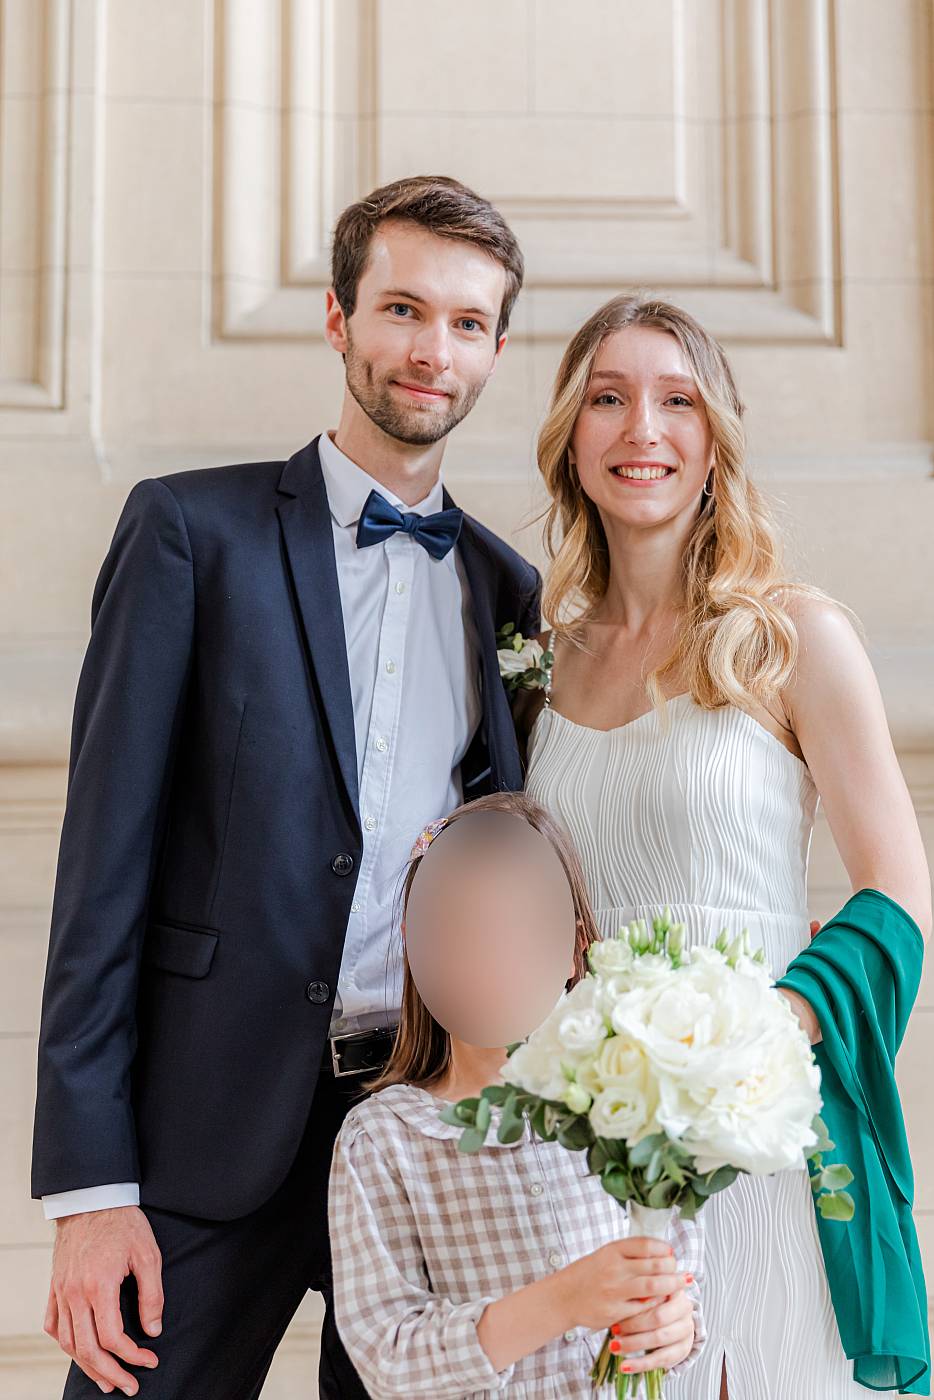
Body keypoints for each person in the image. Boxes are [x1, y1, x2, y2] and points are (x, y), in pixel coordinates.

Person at [31, 174, 540, 1400]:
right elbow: (101, 869)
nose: (432, 349)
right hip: (205, 1125)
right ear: (338, 319)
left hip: (418, 1122)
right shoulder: (187, 534)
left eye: (467, 323)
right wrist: (91, 1189)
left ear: (496, 349)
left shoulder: (505, 593)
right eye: (402, 309)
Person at [521, 293, 932, 1399]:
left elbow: (900, 889)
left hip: (763, 1126)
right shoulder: (537, 662)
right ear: (571, 439)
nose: (639, 427)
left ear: (714, 442)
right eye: (606, 398)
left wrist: (761, 1038)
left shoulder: (791, 636)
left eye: (674, 400)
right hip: (590, 1141)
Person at [329, 790, 706, 1397]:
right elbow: (388, 1358)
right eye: (458, 931)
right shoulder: (383, 1139)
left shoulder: (630, 1103)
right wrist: (559, 1302)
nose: (489, 961)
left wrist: (676, 1329)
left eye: (516, 932)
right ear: (412, 940)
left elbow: (681, 1291)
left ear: (573, 944)